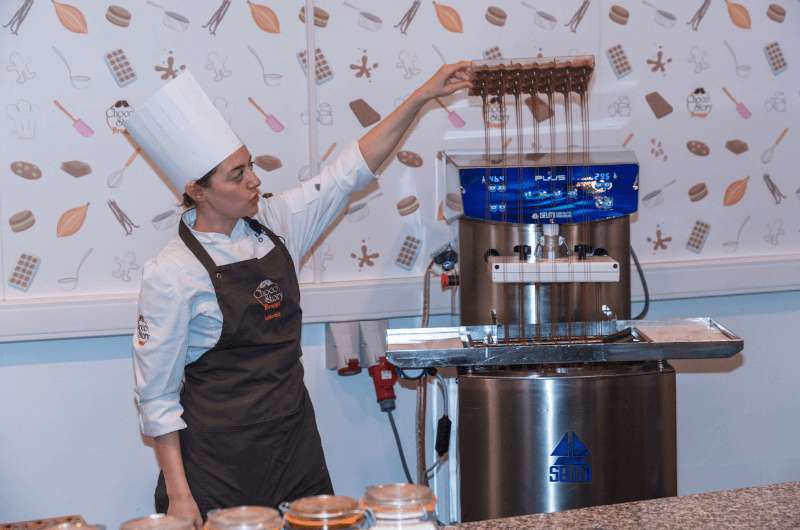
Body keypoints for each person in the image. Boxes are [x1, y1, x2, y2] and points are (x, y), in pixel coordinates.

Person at [127, 63, 472, 528]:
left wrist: (422, 96)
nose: (254, 180)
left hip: (294, 451)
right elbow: (157, 398)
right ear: (197, 191)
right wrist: (179, 496)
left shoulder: (276, 224)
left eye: (249, 165)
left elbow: (348, 171)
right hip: (215, 466)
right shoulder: (172, 273)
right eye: (236, 175)